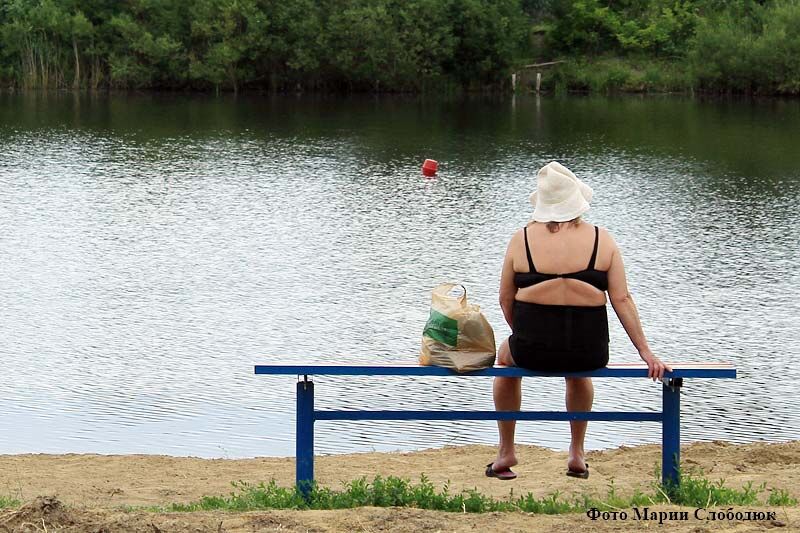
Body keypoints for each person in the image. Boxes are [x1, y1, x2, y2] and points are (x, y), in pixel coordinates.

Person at [486, 161, 671, 481]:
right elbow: (622, 300)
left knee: (505, 359)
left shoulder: (522, 239)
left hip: (533, 349)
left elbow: (505, 298)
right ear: (577, 202)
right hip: (589, 351)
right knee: (579, 372)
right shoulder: (603, 239)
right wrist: (646, 352)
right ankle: (576, 452)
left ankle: (506, 451)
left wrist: (525, 333)